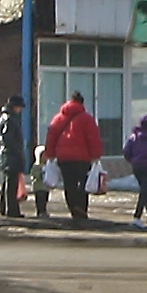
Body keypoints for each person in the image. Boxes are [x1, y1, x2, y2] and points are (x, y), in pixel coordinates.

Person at [44, 91, 104, 224]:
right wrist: (96, 155)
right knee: (83, 183)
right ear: (82, 103)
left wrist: (50, 154)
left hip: (64, 158)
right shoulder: (87, 119)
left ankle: (73, 208)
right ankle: (81, 208)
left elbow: (51, 137)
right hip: (82, 158)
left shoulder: (58, 118)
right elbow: (93, 139)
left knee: (69, 183)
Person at [0, 95, 30, 219]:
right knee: (11, 184)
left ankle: (4, 207)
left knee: (7, 183)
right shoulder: (10, 119)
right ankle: (12, 209)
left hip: (7, 154)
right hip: (11, 155)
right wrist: (17, 150)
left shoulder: (6, 117)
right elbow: (8, 138)